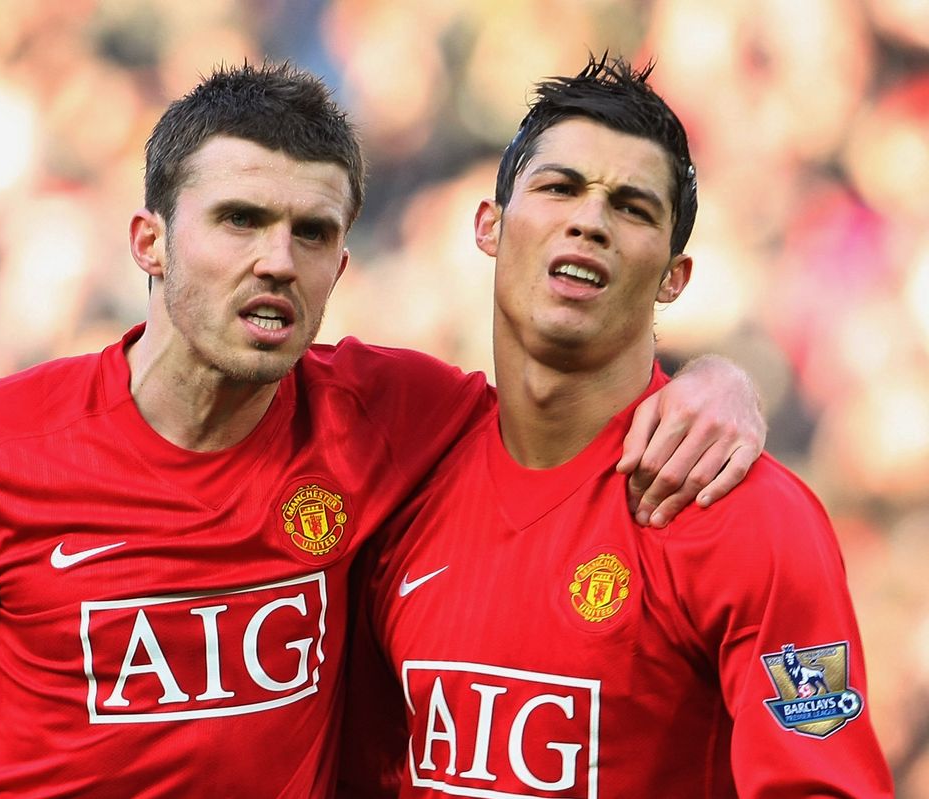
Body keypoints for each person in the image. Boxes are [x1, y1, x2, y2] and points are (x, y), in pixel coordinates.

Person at [0, 62, 766, 798]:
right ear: (149, 240)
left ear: (341, 265)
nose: (276, 259)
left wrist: (720, 384)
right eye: (238, 219)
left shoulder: (389, 421)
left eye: (310, 233)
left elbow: (565, 406)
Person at [337, 54, 894, 798]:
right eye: (559, 187)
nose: (589, 219)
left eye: (631, 207)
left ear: (675, 276)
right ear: (489, 226)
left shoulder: (751, 517)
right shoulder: (406, 473)